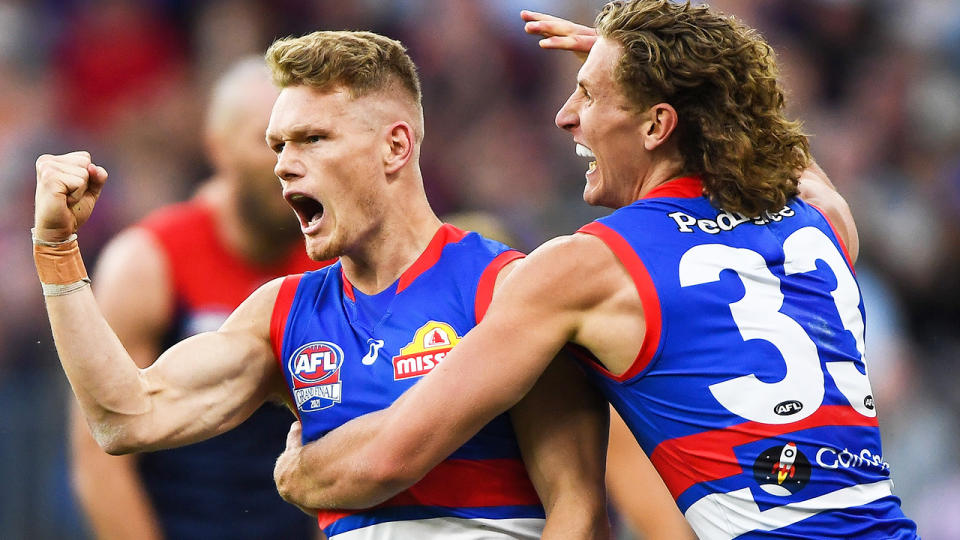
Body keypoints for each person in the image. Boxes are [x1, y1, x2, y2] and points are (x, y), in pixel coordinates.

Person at [262, 2, 921, 539]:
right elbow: (796, 162)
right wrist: (669, 78)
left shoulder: (588, 269)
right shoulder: (823, 227)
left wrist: (295, 470)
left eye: (587, 94)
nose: (565, 116)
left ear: (658, 125)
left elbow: (391, 455)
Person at [34, 30, 609, 540]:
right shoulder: (283, 313)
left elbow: (579, 513)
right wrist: (57, 252)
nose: (283, 165)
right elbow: (125, 418)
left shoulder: (506, 288)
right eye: (277, 145)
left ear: (395, 147)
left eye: (311, 139)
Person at [68, 58, 323, 540]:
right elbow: (99, 460)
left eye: (306, 139)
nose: (286, 162)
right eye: (266, 141)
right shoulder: (149, 261)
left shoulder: (332, 263)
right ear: (217, 148)